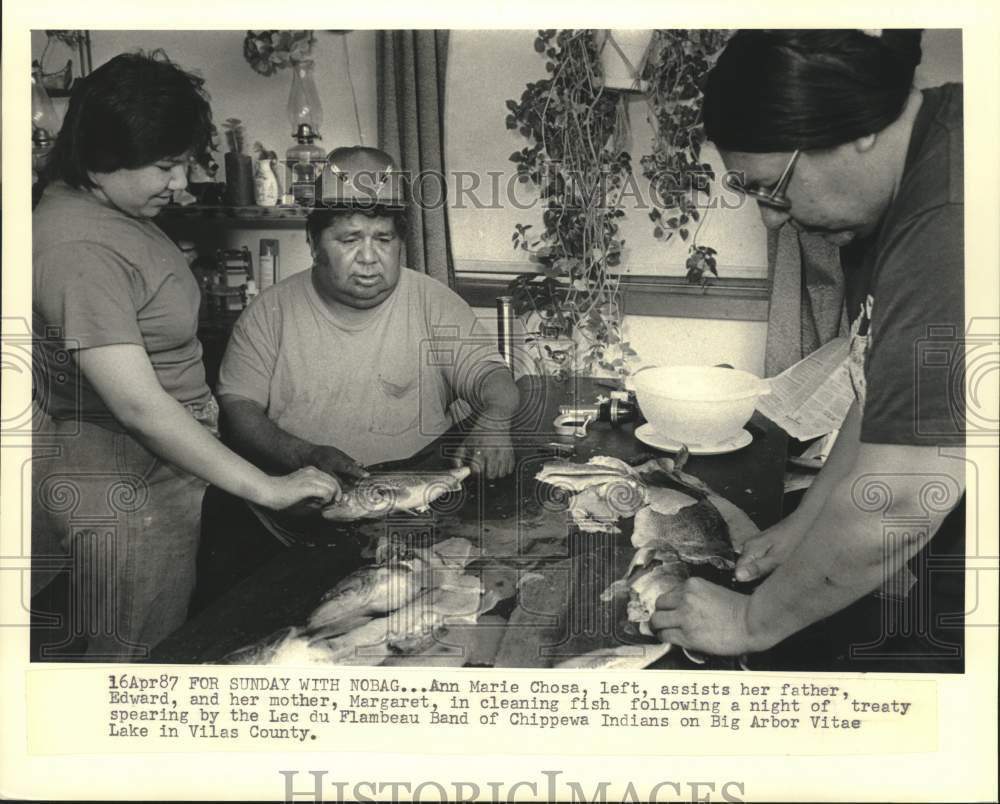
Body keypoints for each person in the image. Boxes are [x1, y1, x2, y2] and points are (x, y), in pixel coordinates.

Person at [651, 29, 966, 670]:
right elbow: (883, 395)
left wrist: (751, 620)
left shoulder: (951, 215)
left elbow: (904, 495)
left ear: (858, 128)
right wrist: (804, 528)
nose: (772, 218)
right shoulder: (902, 184)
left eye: (775, 185)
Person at [31, 52, 341, 661]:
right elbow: (140, 407)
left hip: (155, 465)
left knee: (159, 634)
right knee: (137, 660)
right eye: (166, 165)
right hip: (127, 476)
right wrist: (266, 488)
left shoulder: (104, 206)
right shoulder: (77, 244)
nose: (180, 182)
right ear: (101, 155)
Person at [216, 147, 519, 528]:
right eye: (349, 240)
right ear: (313, 244)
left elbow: (493, 378)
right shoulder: (268, 311)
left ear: (401, 244)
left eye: (384, 239)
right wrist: (303, 455)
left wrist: (494, 421)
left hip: (417, 512)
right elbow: (238, 410)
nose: (369, 257)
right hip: (307, 512)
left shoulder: (432, 301)